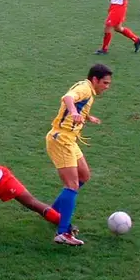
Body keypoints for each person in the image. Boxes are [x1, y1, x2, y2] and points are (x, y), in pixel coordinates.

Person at [44, 64, 113, 246]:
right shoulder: (85, 88)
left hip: (70, 139)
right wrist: (74, 112)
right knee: (72, 184)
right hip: (61, 139)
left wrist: (87, 117)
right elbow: (68, 98)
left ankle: (53, 212)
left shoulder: (88, 89)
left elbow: (78, 105)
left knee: (84, 176)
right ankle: (62, 232)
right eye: (105, 83)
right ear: (95, 80)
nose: (107, 87)